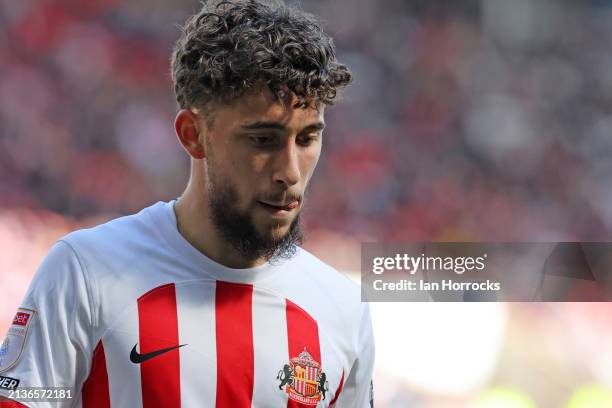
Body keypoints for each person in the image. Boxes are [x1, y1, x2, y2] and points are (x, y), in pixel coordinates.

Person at [0, 0, 375, 407]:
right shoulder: (85, 272)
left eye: (307, 139)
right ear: (193, 134)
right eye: (262, 140)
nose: (290, 171)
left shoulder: (341, 310)